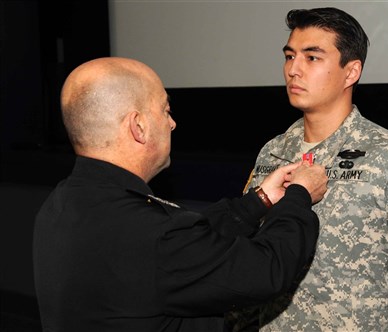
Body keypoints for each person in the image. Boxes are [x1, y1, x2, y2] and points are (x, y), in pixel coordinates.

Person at [32, 57, 329, 332]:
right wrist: (300, 195)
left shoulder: (63, 203)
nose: (172, 123)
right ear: (139, 126)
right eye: (164, 110)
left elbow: (187, 245)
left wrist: (259, 201)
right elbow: (266, 270)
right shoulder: (151, 235)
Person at [229, 7, 388, 331]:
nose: (293, 70)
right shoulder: (273, 153)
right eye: (289, 56)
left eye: (312, 58)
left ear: (351, 71)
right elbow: (246, 260)